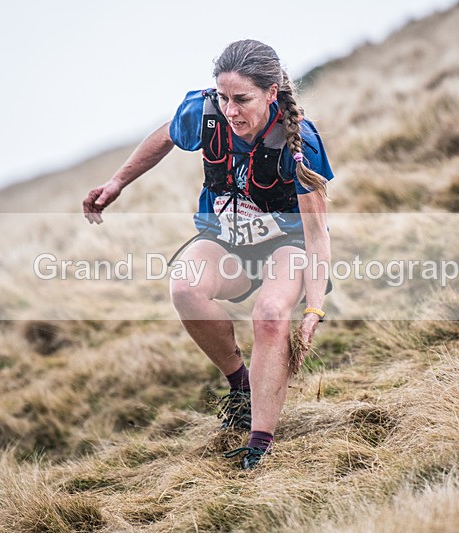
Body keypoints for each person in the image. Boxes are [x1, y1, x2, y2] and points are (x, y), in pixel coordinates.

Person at [82, 39, 333, 469]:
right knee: (185, 287)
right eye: (224, 97)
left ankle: (259, 443)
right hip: (226, 240)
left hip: (286, 247)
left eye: (242, 99)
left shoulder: (299, 144)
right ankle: (241, 386)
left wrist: (313, 310)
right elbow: (162, 137)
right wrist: (117, 183)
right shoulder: (206, 113)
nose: (231, 110)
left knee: (271, 315)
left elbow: (315, 235)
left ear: (272, 93)